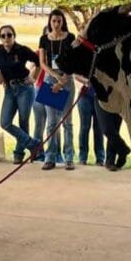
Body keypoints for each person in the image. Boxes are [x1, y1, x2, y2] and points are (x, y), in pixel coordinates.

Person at [0, 25, 43, 164]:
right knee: (5, 122)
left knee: (23, 121)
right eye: (3, 36)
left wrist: (33, 77)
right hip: (9, 90)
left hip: (24, 88)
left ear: (14, 36)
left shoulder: (22, 50)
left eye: (9, 35)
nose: (6, 38)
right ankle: (34, 144)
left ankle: (19, 154)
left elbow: (38, 62)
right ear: (0, 38)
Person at [38, 9, 76, 170]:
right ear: (50, 22)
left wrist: (63, 80)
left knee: (67, 122)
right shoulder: (44, 39)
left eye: (59, 21)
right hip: (50, 79)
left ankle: (69, 158)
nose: (56, 24)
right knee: (51, 122)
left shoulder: (70, 38)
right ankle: (50, 157)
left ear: (63, 22)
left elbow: (75, 61)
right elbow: (42, 63)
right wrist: (55, 77)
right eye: (53, 21)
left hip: (66, 79)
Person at [75, 75, 104, 166]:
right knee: (84, 128)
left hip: (100, 97)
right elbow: (75, 75)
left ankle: (100, 158)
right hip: (84, 97)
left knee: (99, 128)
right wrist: (87, 81)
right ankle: (82, 158)